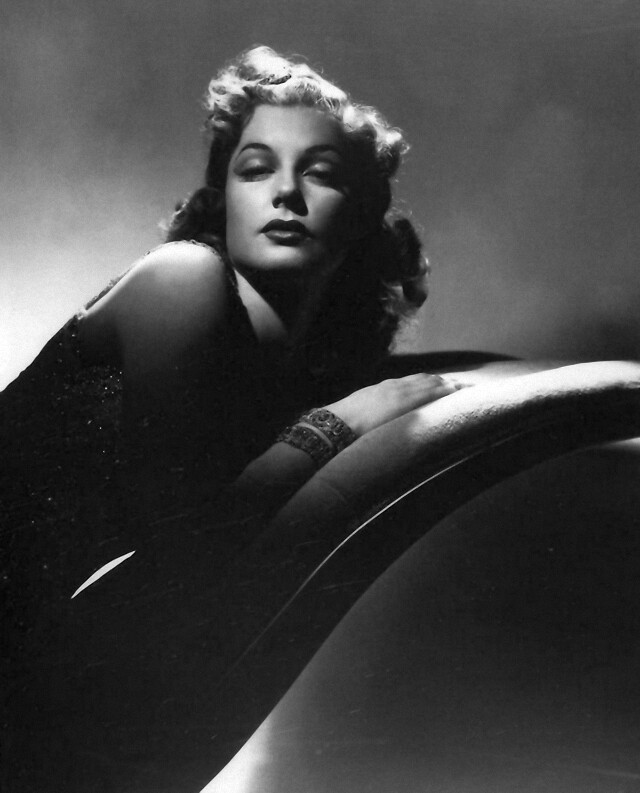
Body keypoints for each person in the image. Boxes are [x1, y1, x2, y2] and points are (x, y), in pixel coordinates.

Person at [2, 45, 464, 791]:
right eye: (255, 169)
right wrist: (337, 426)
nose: (285, 192)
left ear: (362, 218)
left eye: (320, 172)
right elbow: (185, 544)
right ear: (223, 197)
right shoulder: (183, 281)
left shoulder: (298, 366)